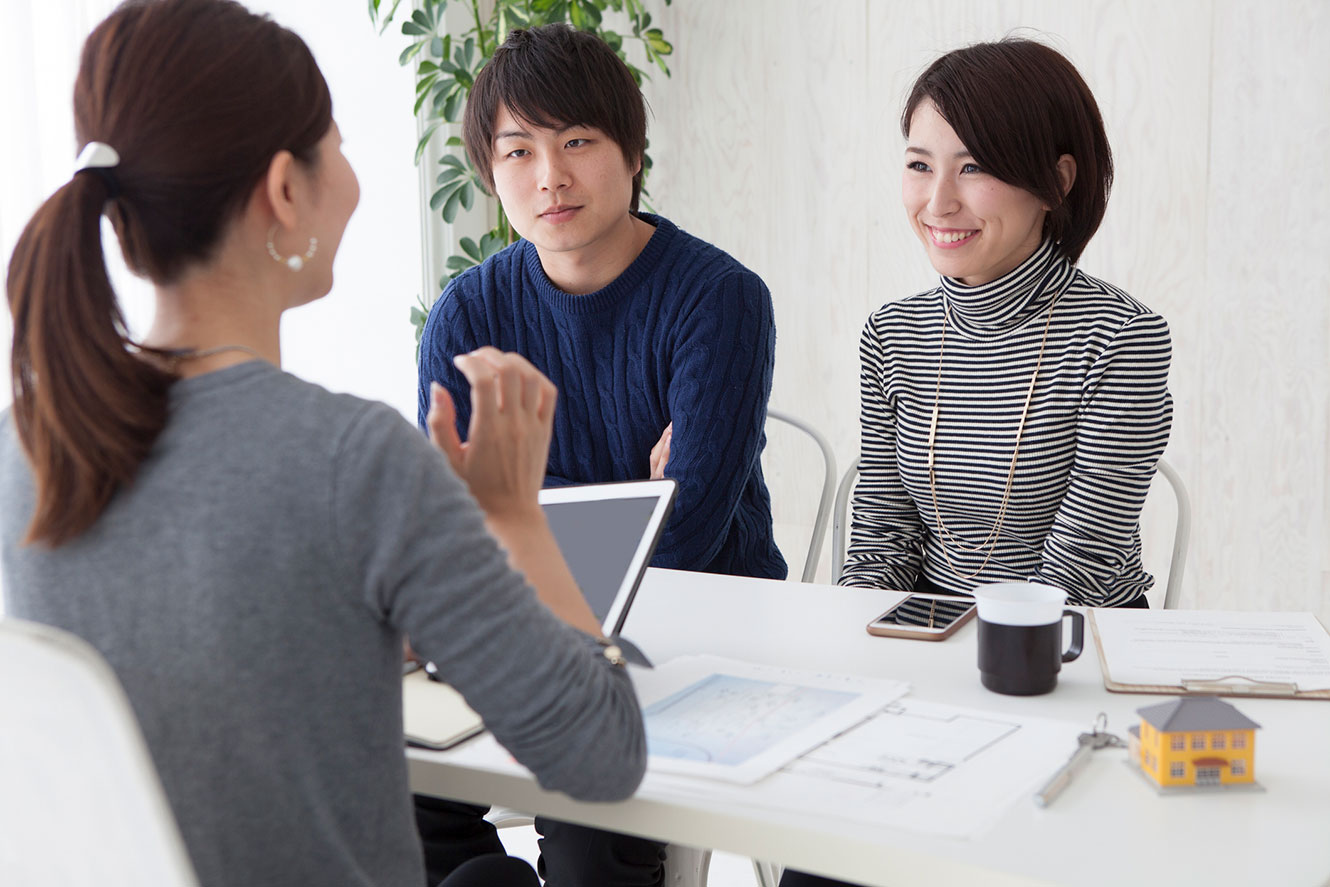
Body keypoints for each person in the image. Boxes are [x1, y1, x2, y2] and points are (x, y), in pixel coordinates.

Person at [0, 3, 645, 887]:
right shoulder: (354, 460)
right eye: (335, 144)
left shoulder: (23, 447)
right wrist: (512, 517)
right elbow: (602, 757)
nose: (351, 174)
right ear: (284, 189)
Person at [414, 23, 785, 887]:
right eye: (519, 150)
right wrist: (630, 495)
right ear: (489, 170)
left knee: (588, 830)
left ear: (632, 152)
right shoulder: (466, 318)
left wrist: (536, 504)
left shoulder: (720, 298)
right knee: (406, 780)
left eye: (578, 141)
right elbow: (453, 534)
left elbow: (685, 534)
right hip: (522, 636)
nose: (550, 176)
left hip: (698, 629)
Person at [836, 37, 1173, 612]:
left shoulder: (1122, 336)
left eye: (974, 167)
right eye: (920, 165)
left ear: (1057, 182)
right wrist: (867, 642)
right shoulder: (892, 332)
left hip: (1069, 639)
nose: (938, 203)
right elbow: (879, 542)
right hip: (930, 629)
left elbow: (1081, 566)